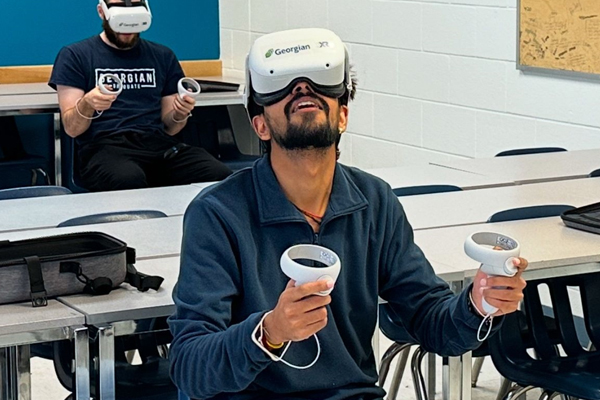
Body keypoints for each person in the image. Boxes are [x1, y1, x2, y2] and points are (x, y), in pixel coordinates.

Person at [169, 28, 528, 400]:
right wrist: (268, 332)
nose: (302, 90)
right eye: (285, 87)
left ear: (342, 116)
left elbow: (430, 320)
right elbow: (189, 368)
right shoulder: (217, 214)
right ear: (260, 125)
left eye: (317, 85)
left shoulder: (374, 202)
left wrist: (478, 304)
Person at [48, 0, 232, 192]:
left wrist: (179, 114)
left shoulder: (162, 55)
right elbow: (72, 128)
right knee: (127, 179)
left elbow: (171, 127)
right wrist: (87, 103)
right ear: (102, 12)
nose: (127, 30)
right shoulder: (75, 55)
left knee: (218, 175)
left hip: (158, 145)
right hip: (105, 148)